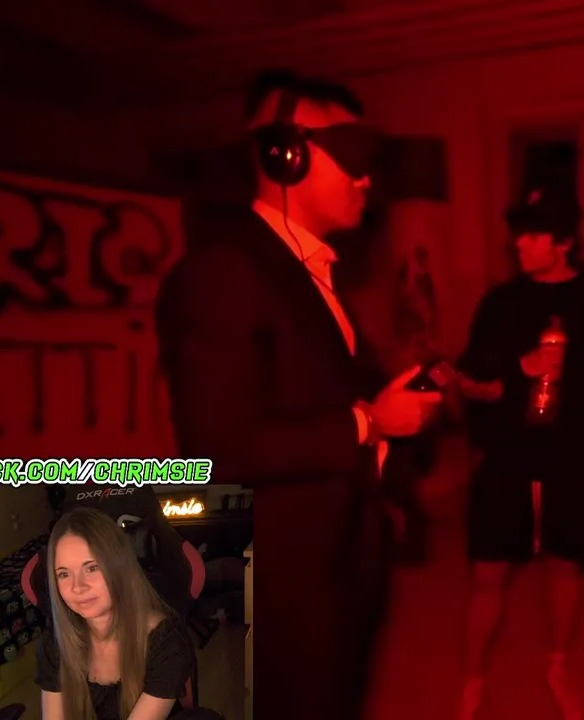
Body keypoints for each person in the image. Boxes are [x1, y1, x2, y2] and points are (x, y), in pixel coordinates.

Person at [155, 69, 442, 720]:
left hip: (337, 564)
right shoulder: (225, 271)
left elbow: (320, 392)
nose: (368, 180)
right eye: (353, 156)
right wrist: (368, 423)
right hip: (284, 585)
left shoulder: (310, 271)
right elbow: (218, 448)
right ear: (287, 155)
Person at [454, 184, 584, 720]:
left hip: (577, 459)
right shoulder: (499, 304)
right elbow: (468, 381)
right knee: (487, 573)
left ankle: (557, 663)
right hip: (508, 458)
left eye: (532, 235)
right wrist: (520, 369)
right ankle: (472, 680)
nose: (519, 243)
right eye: (518, 234)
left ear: (564, 242)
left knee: (565, 567)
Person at [37, 507, 222, 720]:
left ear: (119, 568)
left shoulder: (165, 643)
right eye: (64, 574)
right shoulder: (54, 644)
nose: (78, 587)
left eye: (92, 568)